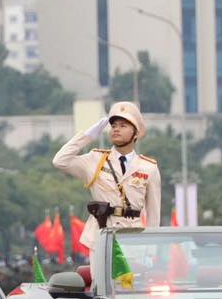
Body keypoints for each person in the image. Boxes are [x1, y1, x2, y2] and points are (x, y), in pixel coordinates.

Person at [52, 101, 161, 273]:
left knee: (132, 291)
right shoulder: (95, 160)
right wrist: (87, 136)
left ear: (135, 133)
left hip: (134, 238)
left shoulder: (148, 167)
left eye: (123, 125)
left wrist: (151, 248)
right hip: (102, 234)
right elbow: (60, 161)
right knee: (103, 289)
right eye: (113, 125)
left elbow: (154, 214)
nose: (116, 129)